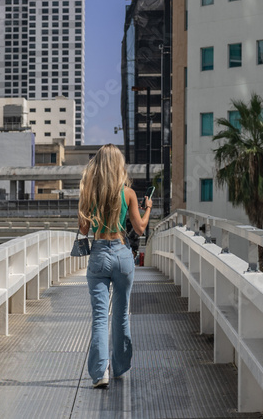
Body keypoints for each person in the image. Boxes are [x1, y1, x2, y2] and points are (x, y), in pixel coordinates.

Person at [78, 144, 152, 388]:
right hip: (122, 255)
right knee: (121, 315)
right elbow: (140, 228)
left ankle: (101, 374)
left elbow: (83, 230)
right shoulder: (128, 193)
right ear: (119, 165)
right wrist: (148, 208)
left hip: (99, 254)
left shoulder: (90, 193)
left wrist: (83, 202)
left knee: (100, 317)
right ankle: (120, 367)